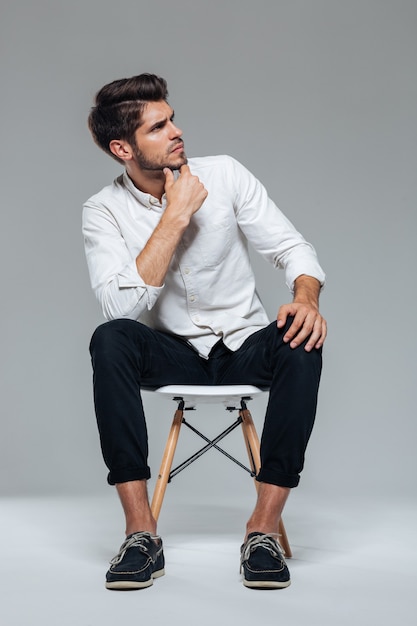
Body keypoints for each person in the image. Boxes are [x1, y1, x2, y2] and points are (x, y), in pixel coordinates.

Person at [83, 73, 326, 591]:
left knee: (302, 341)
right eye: (159, 127)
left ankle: (261, 532)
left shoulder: (227, 174)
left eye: (172, 118)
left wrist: (305, 298)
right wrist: (174, 215)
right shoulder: (102, 210)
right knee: (111, 340)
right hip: (171, 351)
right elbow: (121, 309)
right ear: (122, 148)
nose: (177, 132)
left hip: (244, 343)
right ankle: (140, 534)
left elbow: (292, 249)